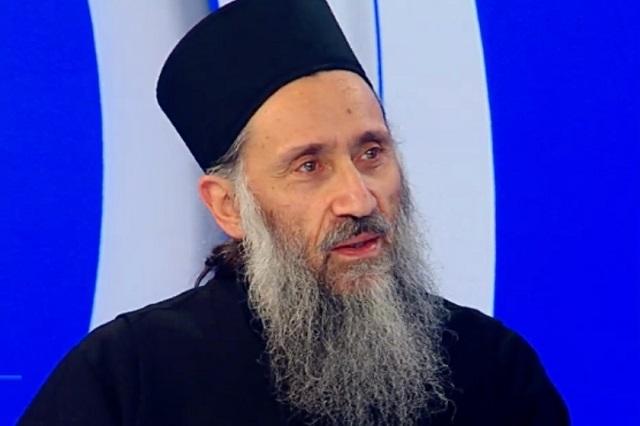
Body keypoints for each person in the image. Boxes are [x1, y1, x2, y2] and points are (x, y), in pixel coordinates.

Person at [20, 0, 569, 425]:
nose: (359, 199)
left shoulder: (492, 369)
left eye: (371, 153)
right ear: (230, 206)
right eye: (309, 166)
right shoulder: (127, 379)